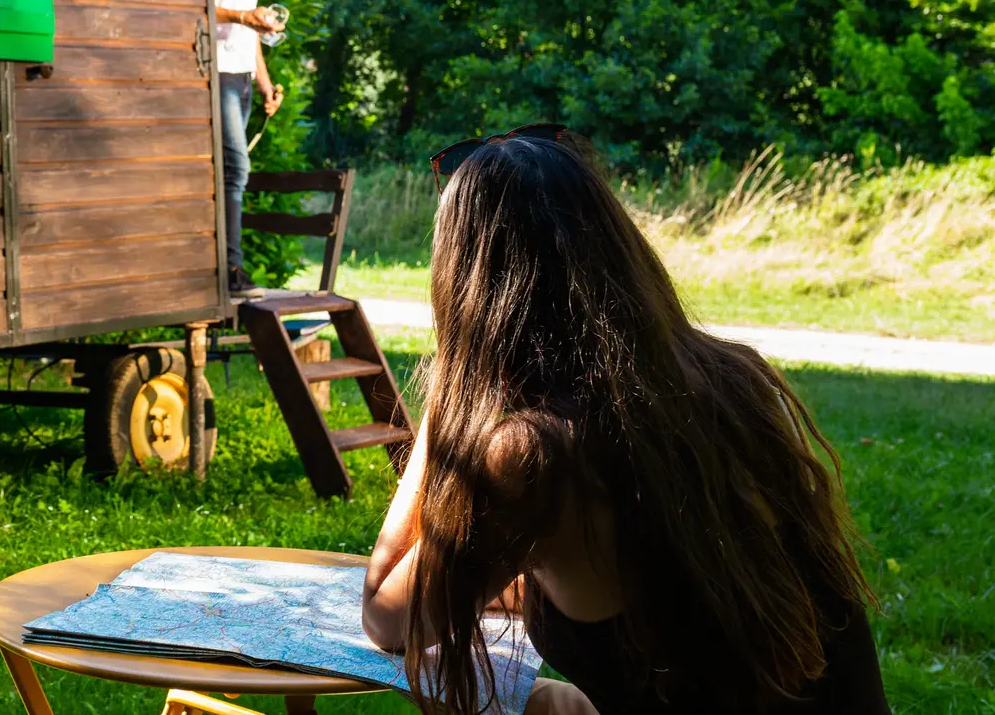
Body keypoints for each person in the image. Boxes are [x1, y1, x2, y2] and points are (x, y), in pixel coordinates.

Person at [361, 127, 889, 715]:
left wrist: (454, 383)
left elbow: (388, 616)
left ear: (468, 291)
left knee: (486, 700)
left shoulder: (535, 455)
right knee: (543, 704)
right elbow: (670, 593)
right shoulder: (733, 381)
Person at [211, 0, 284, 297]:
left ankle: (226, 270)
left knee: (232, 170)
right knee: (235, 167)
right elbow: (192, 3)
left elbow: (250, 26)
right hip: (211, 69)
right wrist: (243, 16)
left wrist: (265, 83)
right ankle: (229, 274)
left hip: (239, 74)